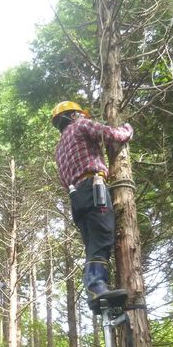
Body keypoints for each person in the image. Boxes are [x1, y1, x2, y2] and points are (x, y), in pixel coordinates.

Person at [51, 101, 133, 308]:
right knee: (103, 236)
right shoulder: (81, 125)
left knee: (92, 243)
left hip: (77, 197)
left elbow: (63, 179)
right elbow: (110, 134)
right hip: (93, 188)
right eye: (79, 114)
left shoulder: (59, 148)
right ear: (73, 116)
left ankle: (95, 290)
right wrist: (127, 129)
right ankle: (96, 286)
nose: (82, 117)